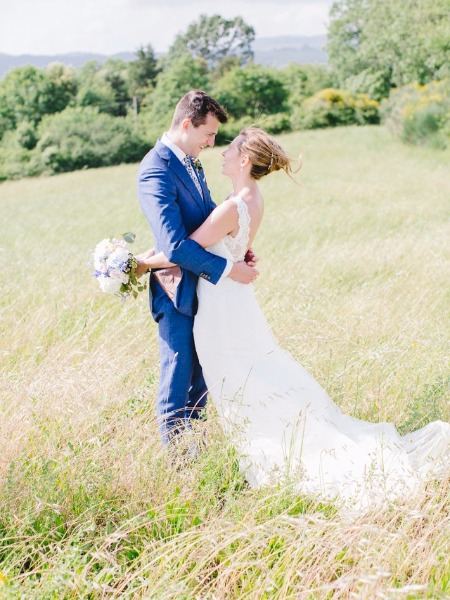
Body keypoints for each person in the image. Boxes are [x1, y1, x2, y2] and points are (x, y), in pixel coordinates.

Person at [137, 127, 450, 510]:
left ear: (245, 160)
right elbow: (230, 246)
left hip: (222, 310)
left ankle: (279, 458)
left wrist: (129, 264)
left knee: (241, 385)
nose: (220, 151)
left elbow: (180, 250)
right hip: (234, 303)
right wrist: (234, 260)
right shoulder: (251, 199)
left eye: (230, 147)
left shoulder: (230, 207)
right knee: (253, 379)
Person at [137, 90, 259, 446]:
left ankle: (197, 453)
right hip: (175, 290)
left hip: (205, 288)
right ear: (187, 124)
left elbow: (205, 223)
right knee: (177, 378)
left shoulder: (191, 160)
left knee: (203, 379)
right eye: (208, 134)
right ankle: (178, 467)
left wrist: (234, 251)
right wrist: (226, 268)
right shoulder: (155, 169)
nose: (211, 143)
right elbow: (174, 245)